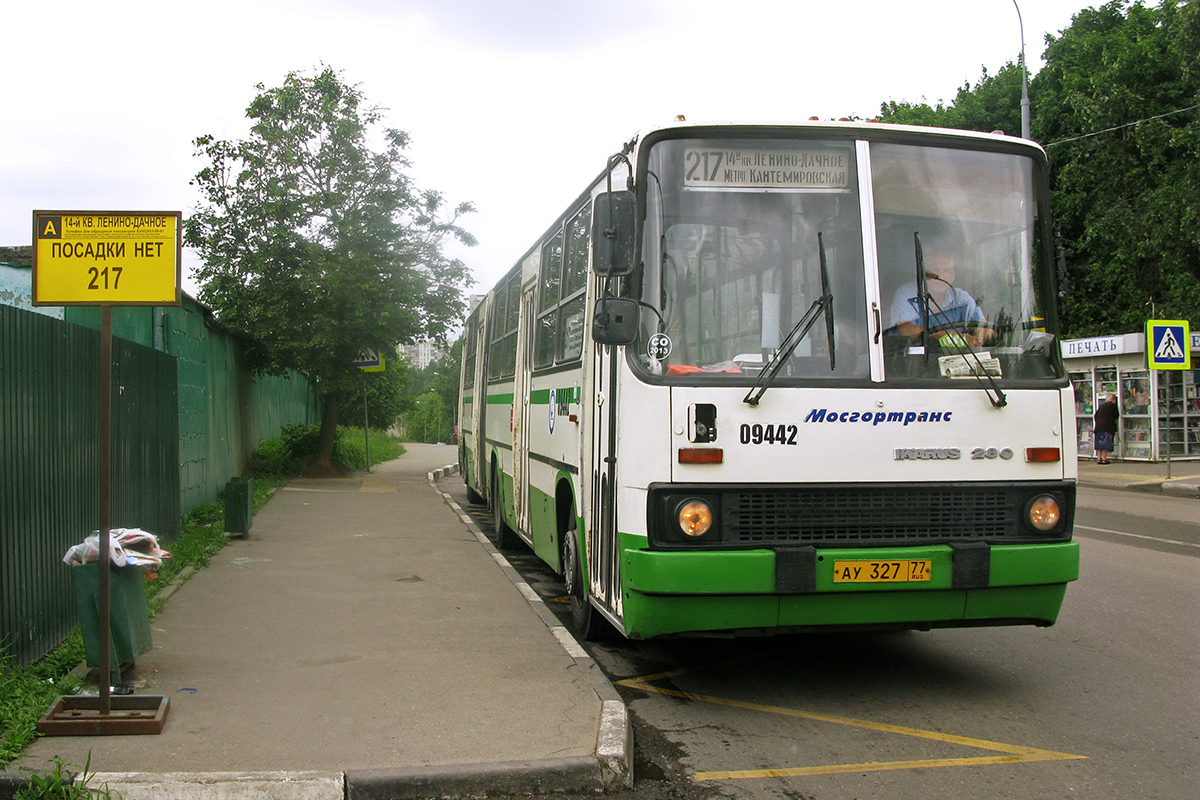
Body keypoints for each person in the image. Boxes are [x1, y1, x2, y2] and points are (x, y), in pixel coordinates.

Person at [889, 251, 993, 348]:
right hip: (913, 361)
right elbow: (907, 329)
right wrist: (944, 336)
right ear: (923, 275)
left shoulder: (960, 297)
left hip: (955, 362)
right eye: (935, 271)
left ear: (953, 276)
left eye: (947, 271)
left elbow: (985, 328)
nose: (941, 276)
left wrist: (978, 339)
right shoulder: (907, 294)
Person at [1093, 393, 1120, 464]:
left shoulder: (1102, 406)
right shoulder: (1113, 406)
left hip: (1098, 427)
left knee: (1099, 443)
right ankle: (1104, 458)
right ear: (1113, 400)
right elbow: (1116, 415)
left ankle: (1099, 458)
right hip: (1108, 427)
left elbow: (1095, 415)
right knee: (1106, 443)